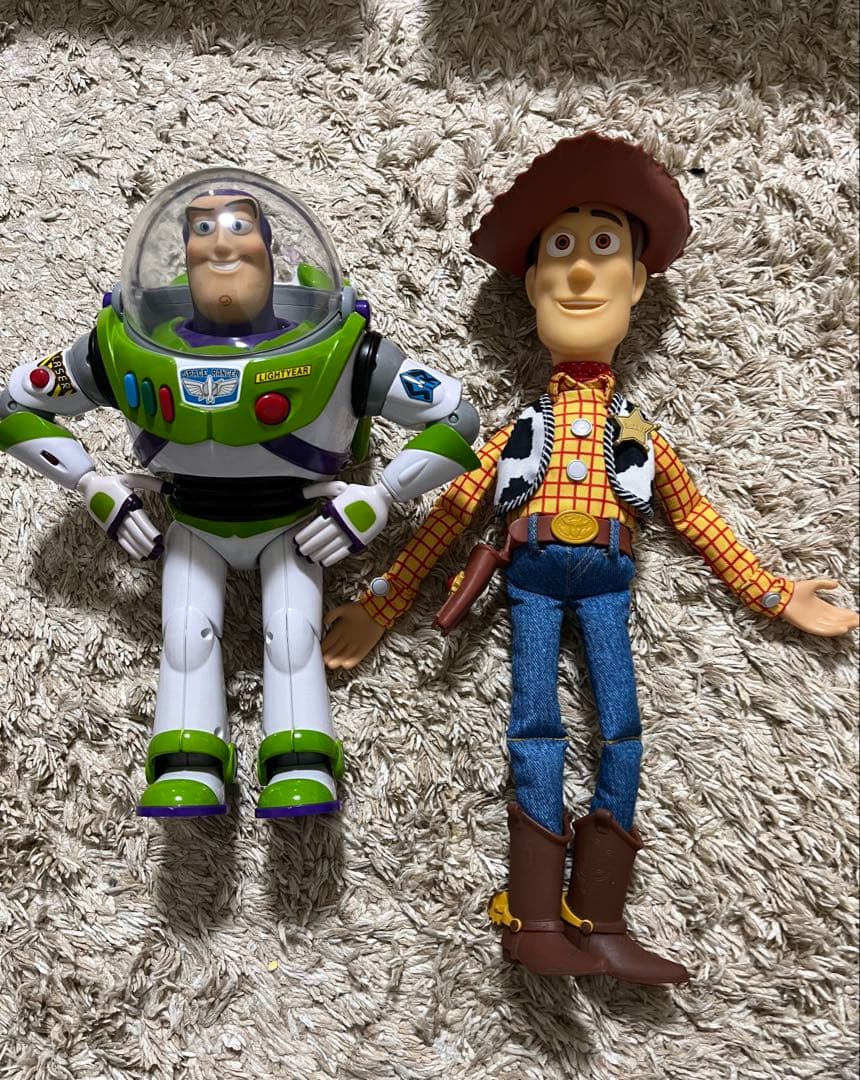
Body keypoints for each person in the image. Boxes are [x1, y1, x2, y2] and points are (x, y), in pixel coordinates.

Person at [320, 133, 859, 983]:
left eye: (603, 247)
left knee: (624, 730)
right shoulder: (517, 433)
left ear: (637, 282)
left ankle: (600, 915)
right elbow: (451, 515)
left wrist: (772, 592)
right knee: (533, 727)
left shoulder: (639, 438)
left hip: (609, 585)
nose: (578, 272)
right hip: (529, 585)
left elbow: (697, 518)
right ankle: (533, 916)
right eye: (559, 251)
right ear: (531, 284)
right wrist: (381, 605)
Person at [0, 168, 480, 821]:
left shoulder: (344, 350)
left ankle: (301, 761)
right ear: (184, 250)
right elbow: (16, 408)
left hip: (296, 523)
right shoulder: (121, 346)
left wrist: (383, 495)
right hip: (193, 522)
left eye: (237, 225)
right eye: (202, 228)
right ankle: (188, 762)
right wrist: (91, 484)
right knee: (186, 636)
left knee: (292, 635)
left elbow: (456, 417)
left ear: (268, 244)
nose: (221, 243)